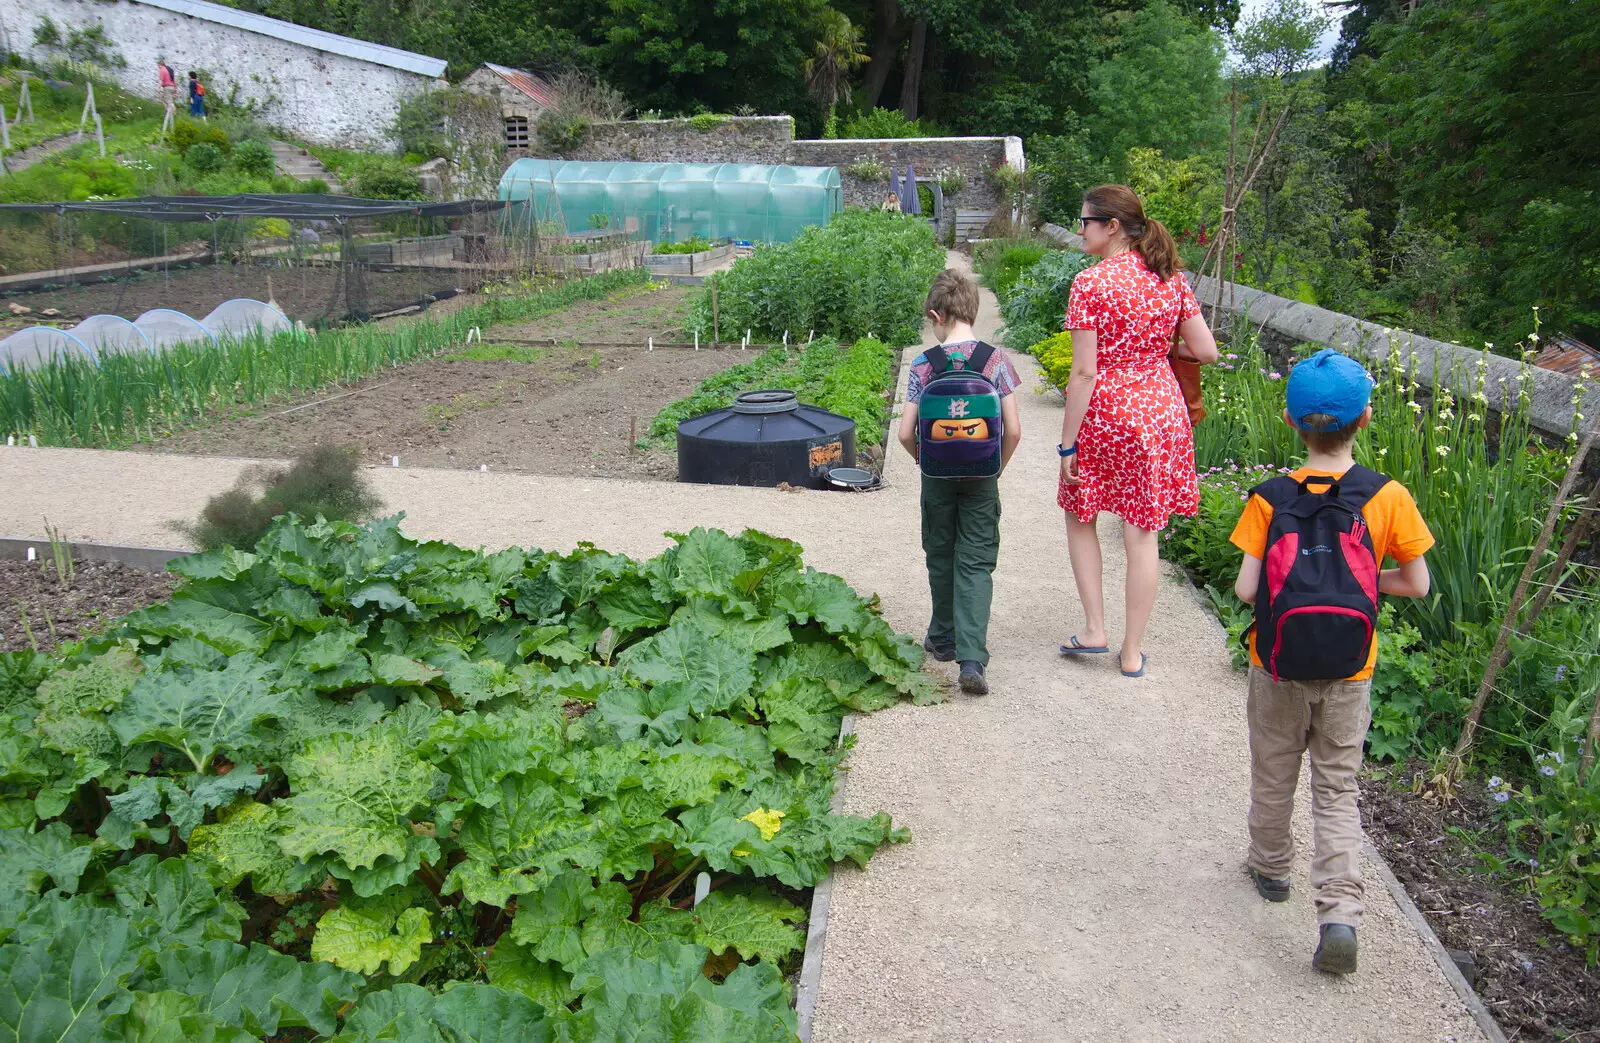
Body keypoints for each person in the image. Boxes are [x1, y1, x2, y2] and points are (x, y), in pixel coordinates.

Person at [1229, 348, 1433, 974]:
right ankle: (1339, 912)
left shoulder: (1269, 498)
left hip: (1279, 665)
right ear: (1365, 419)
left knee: (1273, 770)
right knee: (1337, 790)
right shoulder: (1387, 497)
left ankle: (1270, 870)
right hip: (1351, 670)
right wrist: (1367, 586)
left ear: (1293, 423)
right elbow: (1417, 584)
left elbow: (1244, 590)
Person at [1057, 184, 1218, 676]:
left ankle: (1094, 629)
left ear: (1111, 226)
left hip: (1107, 413)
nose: (1079, 229)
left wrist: (1069, 445)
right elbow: (1206, 351)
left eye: (1084, 221)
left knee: (1080, 513)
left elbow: (1083, 373)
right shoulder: (1172, 279)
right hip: (1160, 413)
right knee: (1142, 535)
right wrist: (1157, 355)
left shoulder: (1091, 283)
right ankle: (1130, 654)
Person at [897, 269, 1022, 695]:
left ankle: (943, 636)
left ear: (937, 315)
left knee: (940, 553)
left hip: (937, 477)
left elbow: (903, 434)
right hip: (982, 476)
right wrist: (996, 468)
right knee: (975, 561)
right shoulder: (996, 360)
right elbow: (1014, 429)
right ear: (971, 310)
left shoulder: (923, 364)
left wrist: (925, 462)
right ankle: (972, 659)